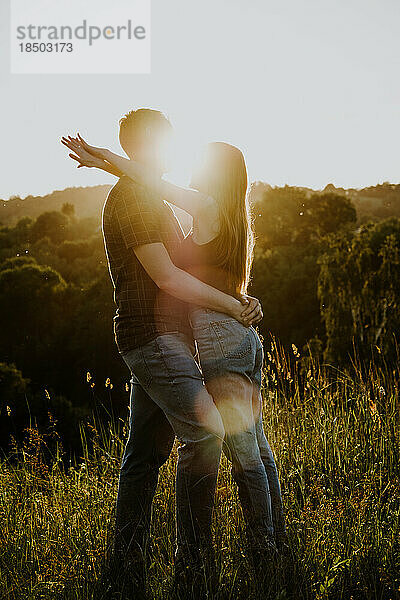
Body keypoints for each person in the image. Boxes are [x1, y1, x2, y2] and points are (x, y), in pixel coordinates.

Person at [63, 120, 288, 578]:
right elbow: (150, 193)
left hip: (213, 339)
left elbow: (152, 182)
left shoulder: (199, 205)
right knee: (245, 450)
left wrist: (107, 157)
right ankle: (252, 548)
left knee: (236, 448)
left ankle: (245, 554)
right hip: (202, 337)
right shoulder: (224, 214)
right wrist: (108, 162)